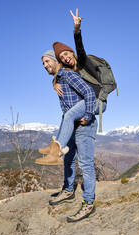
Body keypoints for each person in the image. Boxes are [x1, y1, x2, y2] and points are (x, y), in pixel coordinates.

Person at [36, 8, 107, 165]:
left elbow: (80, 48)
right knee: (66, 115)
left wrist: (76, 29)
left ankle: (57, 152)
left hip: (97, 101)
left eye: (67, 54)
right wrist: (54, 84)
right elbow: (58, 74)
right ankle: (54, 147)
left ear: (72, 52)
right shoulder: (68, 71)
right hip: (89, 100)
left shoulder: (83, 62)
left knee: (68, 115)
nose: (66, 58)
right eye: (62, 57)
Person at [39, 49, 98, 222]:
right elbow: (57, 79)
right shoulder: (58, 78)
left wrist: (87, 116)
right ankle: (68, 189)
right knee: (69, 158)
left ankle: (88, 202)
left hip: (84, 124)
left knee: (86, 164)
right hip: (71, 125)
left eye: (47, 61)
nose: (45, 65)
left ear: (56, 60)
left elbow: (89, 93)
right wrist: (54, 82)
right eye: (43, 63)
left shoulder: (69, 75)